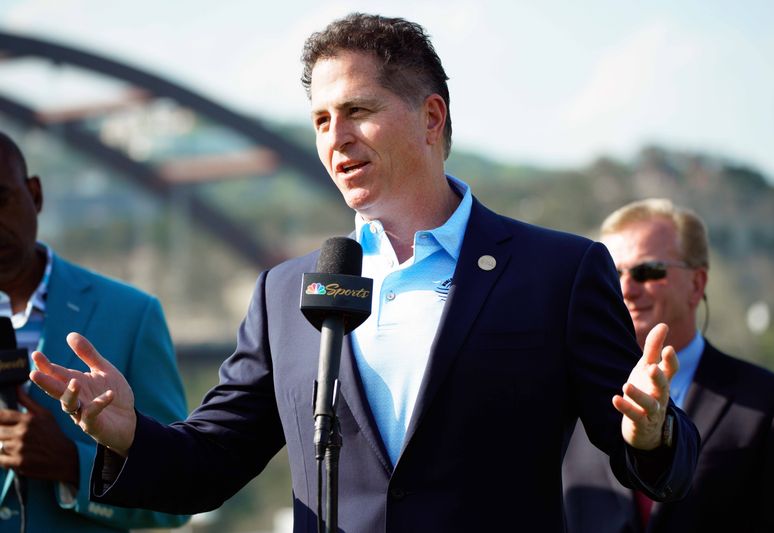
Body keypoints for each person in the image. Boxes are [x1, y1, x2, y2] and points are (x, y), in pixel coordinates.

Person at [30, 14, 700, 533]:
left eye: (357, 111)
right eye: (321, 119)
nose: (335, 137)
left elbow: (652, 457)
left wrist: (653, 431)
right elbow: (210, 464)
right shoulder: (285, 291)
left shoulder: (557, 271)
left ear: (431, 117)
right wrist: (129, 434)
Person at [562, 198, 774, 532]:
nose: (626, 288)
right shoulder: (566, 396)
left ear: (697, 284)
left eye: (647, 271)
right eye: (612, 273)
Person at [0, 131, 189, 532]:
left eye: (0, 199)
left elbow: (179, 490)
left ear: (34, 194)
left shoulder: (133, 315)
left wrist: (73, 464)